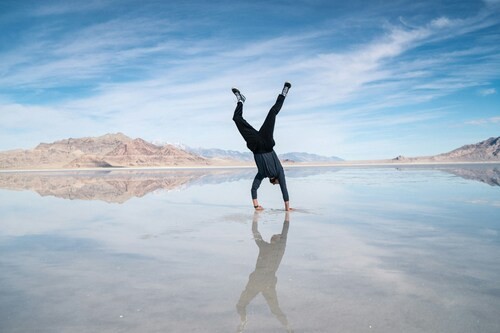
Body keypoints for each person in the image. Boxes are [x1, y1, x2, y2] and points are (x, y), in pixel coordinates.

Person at [232, 82, 292, 211]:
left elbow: (255, 188)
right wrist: (256, 205)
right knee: (272, 113)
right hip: (265, 143)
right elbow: (283, 189)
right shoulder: (276, 172)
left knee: (238, 119)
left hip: (257, 145)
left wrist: (256, 206)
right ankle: (284, 93)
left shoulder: (262, 174)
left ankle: (240, 101)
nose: (277, 184)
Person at [236, 211, 292, 333]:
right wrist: (287, 214)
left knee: (241, 305)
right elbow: (285, 230)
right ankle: (288, 327)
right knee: (274, 308)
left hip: (257, 279)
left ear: (272, 240)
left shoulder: (264, 247)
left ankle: (243, 320)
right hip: (269, 281)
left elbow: (255, 232)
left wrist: (255, 218)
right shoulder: (281, 249)